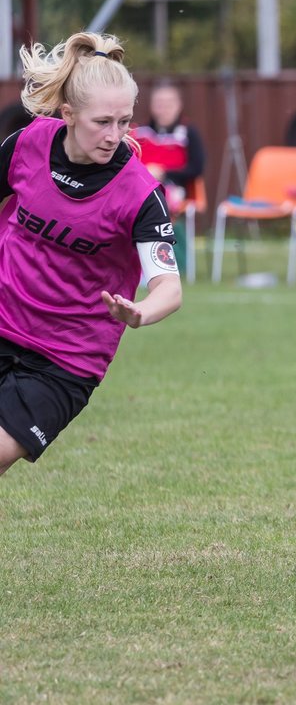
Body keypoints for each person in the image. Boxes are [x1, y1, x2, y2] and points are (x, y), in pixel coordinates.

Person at [0, 32, 183, 476]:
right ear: (68, 114)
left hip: (64, 361)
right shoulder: (28, 146)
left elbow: (169, 286)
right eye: (103, 122)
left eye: (124, 122)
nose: (115, 136)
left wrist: (141, 311)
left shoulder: (139, 193)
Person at [133, 80, 205, 275]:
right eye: (159, 104)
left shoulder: (188, 132)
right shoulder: (140, 133)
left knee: (158, 204)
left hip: (175, 189)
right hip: (142, 187)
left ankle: (169, 263)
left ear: (178, 105)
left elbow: (196, 168)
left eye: (168, 104)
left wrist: (164, 172)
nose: (163, 109)